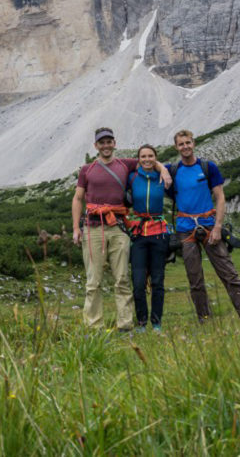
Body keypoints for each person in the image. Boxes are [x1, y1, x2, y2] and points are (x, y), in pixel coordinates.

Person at [72, 127, 171, 331]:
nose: (106, 145)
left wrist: (164, 169)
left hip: (118, 227)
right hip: (92, 228)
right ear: (96, 146)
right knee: (93, 281)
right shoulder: (86, 170)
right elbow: (78, 198)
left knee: (122, 278)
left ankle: (125, 325)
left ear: (114, 143)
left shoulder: (125, 164)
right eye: (102, 142)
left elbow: (149, 160)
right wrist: (76, 227)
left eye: (109, 141)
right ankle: (93, 326)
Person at [169, 129, 240, 325]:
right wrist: (160, 169)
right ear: (176, 147)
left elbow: (220, 197)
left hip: (210, 226)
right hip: (185, 229)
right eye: (181, 144)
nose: (185, 147)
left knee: (229, 274)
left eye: (188, 143)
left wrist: (218, 227)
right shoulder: (172, 170)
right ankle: (205, 320)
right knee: (195, 280)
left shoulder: (208, 167)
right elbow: (151, 165)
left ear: (194, 143)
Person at [127, 144, 171, 332]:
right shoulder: (132, 177)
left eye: (150, 156)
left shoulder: (163, 177)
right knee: (137, 282)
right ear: (138, 159)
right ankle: (142, 321)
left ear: (155, 157)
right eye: (143, 156)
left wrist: (162, 169)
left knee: (157, 281)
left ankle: (156, 322)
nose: (146, 159)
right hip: (138, 234)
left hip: (159, 232)